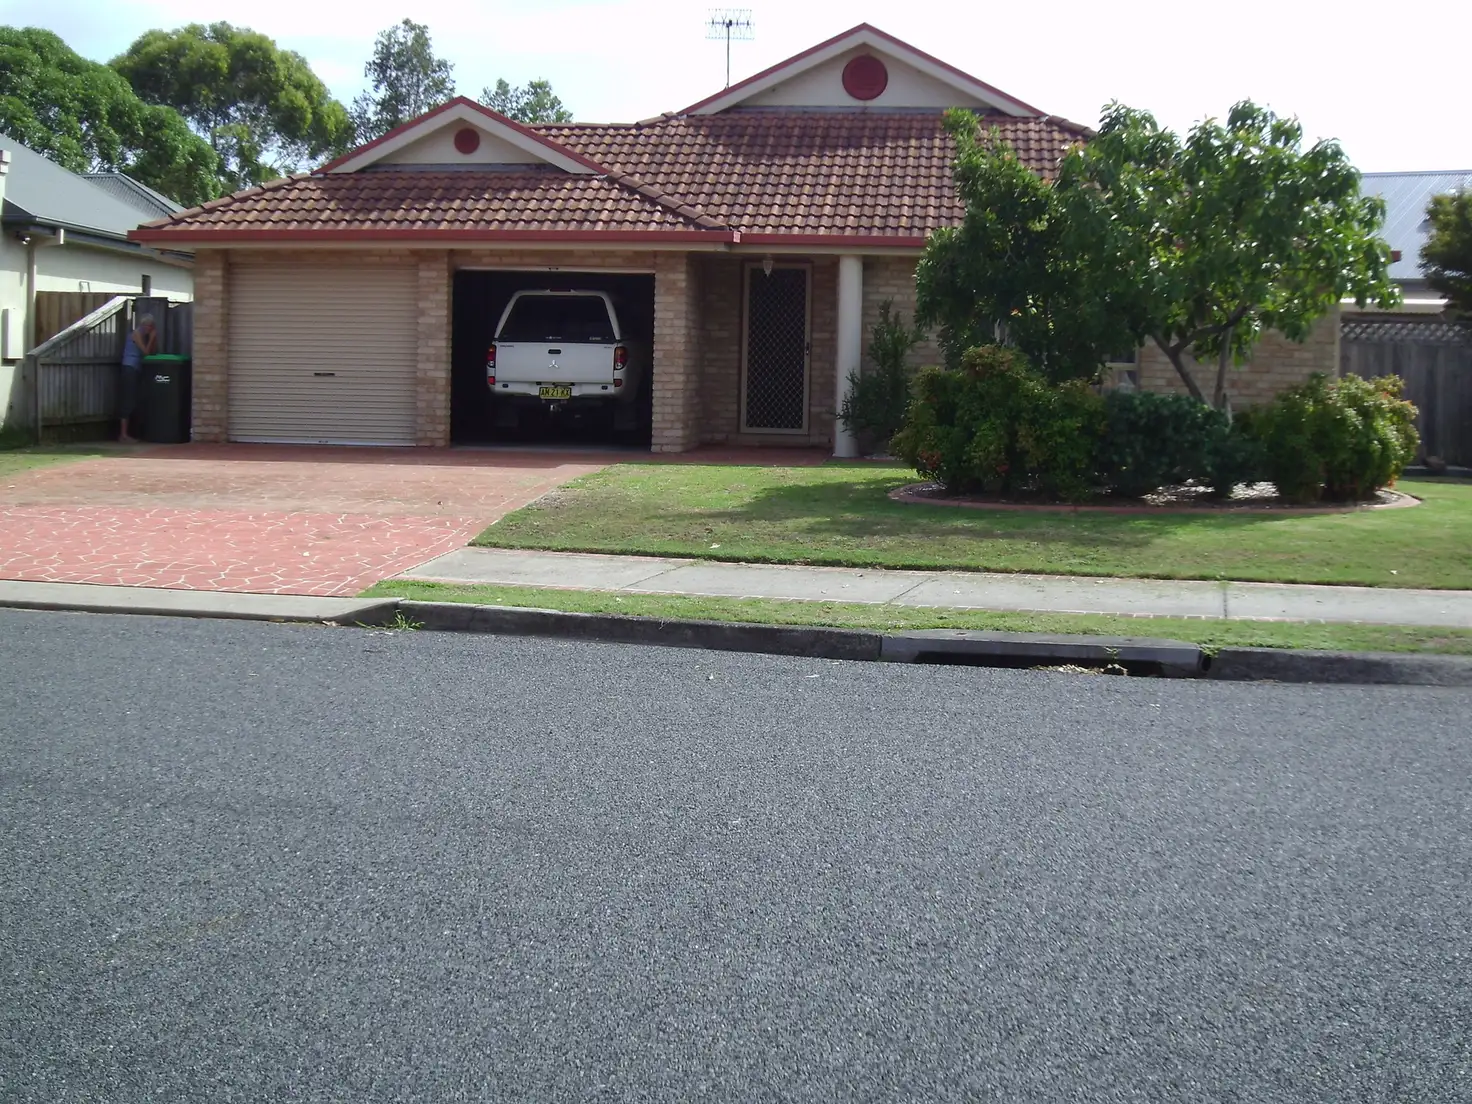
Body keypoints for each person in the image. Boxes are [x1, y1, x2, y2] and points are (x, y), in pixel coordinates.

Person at [119, 313, 158, 443]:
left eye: (151, 327)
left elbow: (151, 353)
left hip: (136, 369)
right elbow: (145, 352)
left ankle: (130, 433)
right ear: (143, 325)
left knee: (134, 400)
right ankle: (123, 435)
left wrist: (152, 340)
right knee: (128, 400)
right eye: (148, 326)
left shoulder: (145, 336)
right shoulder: (136, 334)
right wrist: (152, 339)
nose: (149, 329)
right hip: (129, 368)